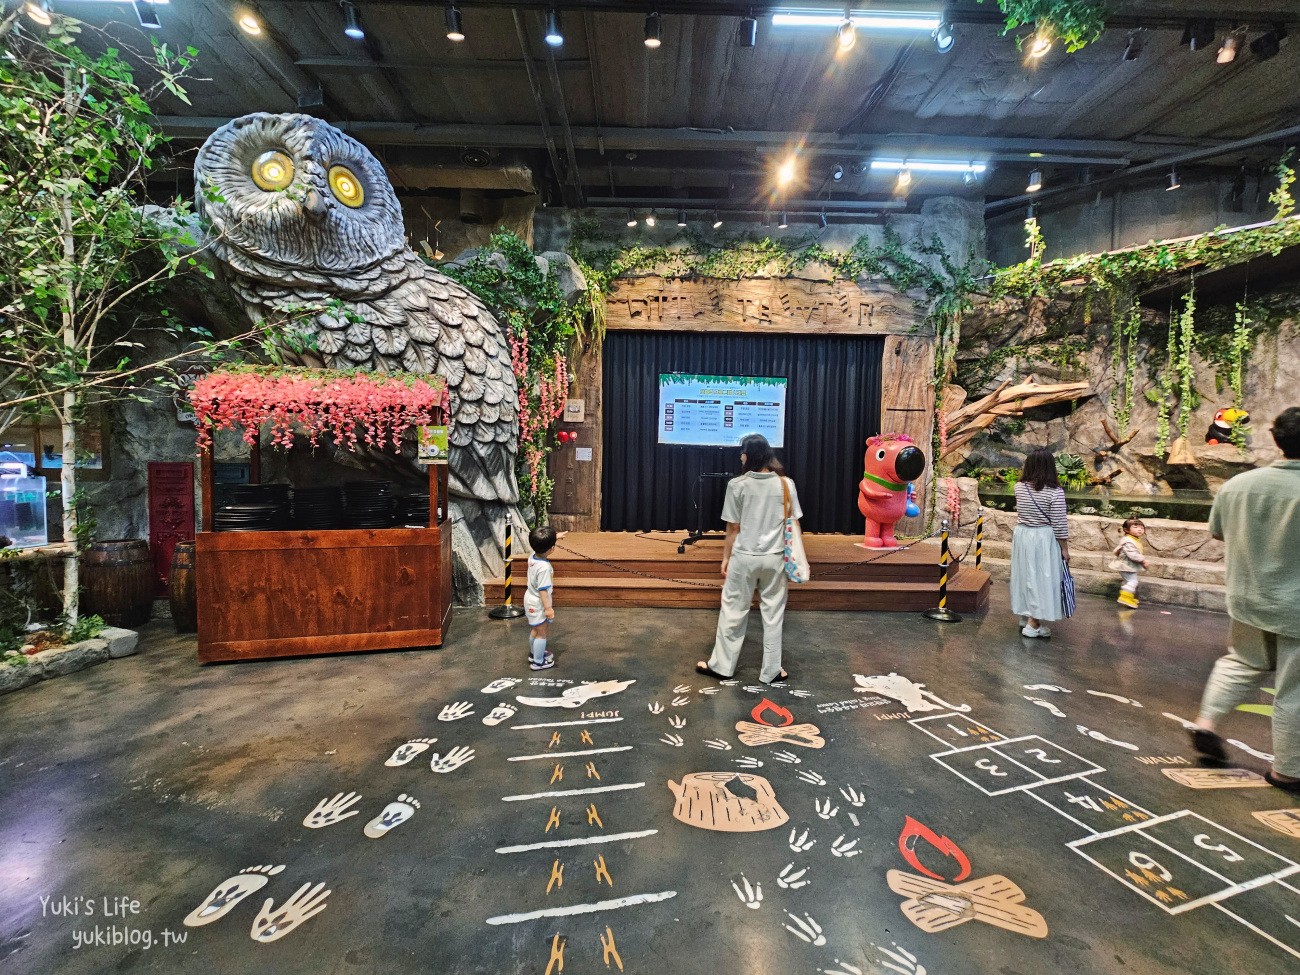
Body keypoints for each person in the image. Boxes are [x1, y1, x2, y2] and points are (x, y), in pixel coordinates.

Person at [1190, 407, 1300, 793]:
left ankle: (1206, 723)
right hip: (1296, 608)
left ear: (1277, 438)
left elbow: (1218, 533)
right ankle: (1287, 770)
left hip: (1249, 597)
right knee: (1295, 687)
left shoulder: (1239, 485)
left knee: (1241, 661)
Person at [696, 433, 801, 684]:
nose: (740, 456)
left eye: (742, 452)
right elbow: (794, 522)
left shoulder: (738, 485)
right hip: (775, 558)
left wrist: (725, 558)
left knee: (733, 611)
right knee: (774, 614)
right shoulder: (786, 484)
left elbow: (733, 529)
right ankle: (772, 671)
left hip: (744, 557)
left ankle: (722, 666)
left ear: (749, 455)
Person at [1011, 448, 1070, 638]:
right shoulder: (1055, 492)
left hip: (1022, 535)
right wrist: (1065, 549)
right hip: (1043, 537)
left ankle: (1025, 614)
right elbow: (1059, 524)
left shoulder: (1019, 487)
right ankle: (1033, 624)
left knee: (1025, 576)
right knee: (1042, 579)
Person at [524, 525, 558, 671]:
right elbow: (543, 591)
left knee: (535, 629)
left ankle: (533, 653)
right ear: (551, 548)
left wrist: (554, 538)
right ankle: (538, 662)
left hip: (529, 599)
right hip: (538, 602)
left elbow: (539, 543)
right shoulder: (543, 568)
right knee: (542, 632)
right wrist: (548, 608)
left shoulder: (532, 556)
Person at [1110, 518, 1150, 608]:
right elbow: (1132, 555)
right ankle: (1124, 597)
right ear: (1126, 530)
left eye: (1141, 527)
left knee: (1128, 581)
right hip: (1126, 565)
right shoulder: (1128, 541)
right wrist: (1143, 560)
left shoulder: (1132, 539)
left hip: (1128, 565)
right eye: (1135, 527)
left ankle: (1129, 596)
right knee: (1133, 581)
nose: (1139, 529)